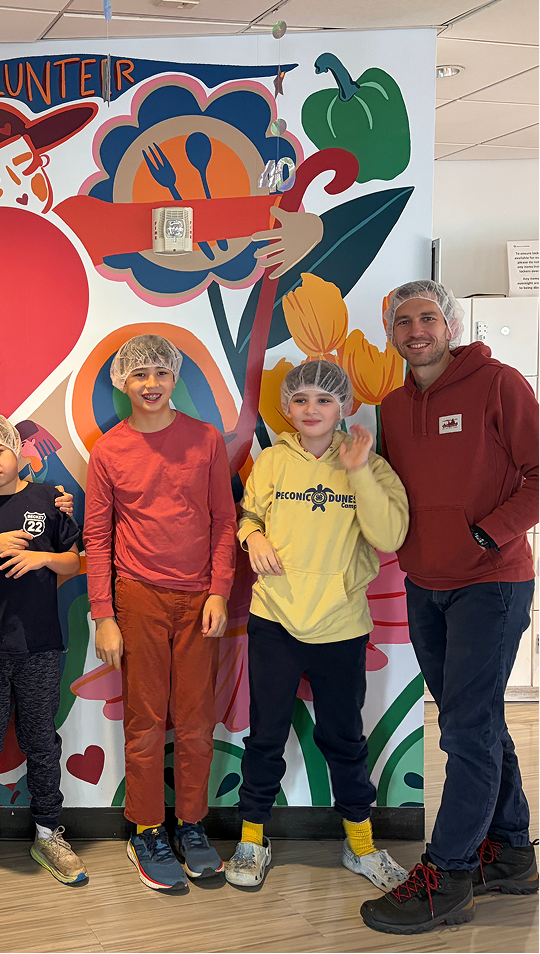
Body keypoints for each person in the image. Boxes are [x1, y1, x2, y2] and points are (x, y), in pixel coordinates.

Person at [361, 280, 540, 936]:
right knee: (475, 721)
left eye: (428, 318)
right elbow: (391, 492)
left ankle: (450, 873)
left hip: (490, 583)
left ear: (450, 325)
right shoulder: (389, 406)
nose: (416, 330)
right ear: (390, 332)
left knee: (465, 729)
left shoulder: (498, 384)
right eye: (402, 321)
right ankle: (511, 852)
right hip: (424, 583)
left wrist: (489, 533)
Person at [224, 360, 410, 891]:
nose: (312, 409)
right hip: (274, 621)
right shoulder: (272, 461)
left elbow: (389, 535)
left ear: (344, 406)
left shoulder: (371, 466)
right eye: (301, 399)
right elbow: (248, 516)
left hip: (341, 625)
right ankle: (252, 841)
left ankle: (361, 845)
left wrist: (358, 471)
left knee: (345, 739)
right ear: (287, 406)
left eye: (324, 399)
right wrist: (252, 536)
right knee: (265, 736)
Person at [83, 334, 236, 892]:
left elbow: (224, 520)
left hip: (199, 600)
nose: (151, 384)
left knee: (196, 721)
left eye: (160, 373)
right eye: (139, 373)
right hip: (137, 596)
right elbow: (97, 537)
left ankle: (191, 825)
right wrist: (104, 614)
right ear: (123, 381)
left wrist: (220, 591)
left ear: (175, 378)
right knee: (145, 721)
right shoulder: (109, 451)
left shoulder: (206, 439)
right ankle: (147, 829)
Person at [0, 414, 87, 891]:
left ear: (17, 450)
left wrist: (41, 557)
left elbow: (74, 560)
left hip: (40, 644)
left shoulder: (49, 499)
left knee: (41, 740)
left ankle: (48, 833)